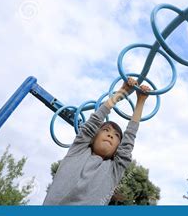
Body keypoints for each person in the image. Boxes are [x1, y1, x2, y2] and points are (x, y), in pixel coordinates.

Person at [43, 77, 150, 205]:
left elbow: (129, 140)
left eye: (116, 135)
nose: (110, 135)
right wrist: (122, 91)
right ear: (93, 137)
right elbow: (93, 122)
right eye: (106, 130)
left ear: (117, 149)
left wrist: (141, 101)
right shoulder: (78, 150)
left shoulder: (113, 170)